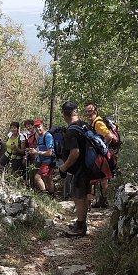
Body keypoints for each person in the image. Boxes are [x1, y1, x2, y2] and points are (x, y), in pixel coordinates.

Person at [57, 101, 89, 236]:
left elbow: (75, 152)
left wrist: (64, 167)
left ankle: (80, 227)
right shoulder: (84, 125)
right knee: (83, 196)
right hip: (88, 166)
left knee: (78, 196)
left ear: (65, 114)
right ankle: (81, 223)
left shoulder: (71, 131)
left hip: (80, 168)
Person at [85, 101, 113, 208]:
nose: (88, 113)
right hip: (98, 155)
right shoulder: (94, 123)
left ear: (95, 111)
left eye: (90, 111)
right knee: (100, 178)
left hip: (99, 156)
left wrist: (102, 148)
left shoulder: (98, 123)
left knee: (97, 179)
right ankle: (100, 201)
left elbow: (109, 136)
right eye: (86, 111)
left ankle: (98, 202)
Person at [28, 119, 55, 197]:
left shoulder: (48, 136)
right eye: (36, 127)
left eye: (39, 126)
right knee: (48, 178)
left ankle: (45, 196)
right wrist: (32, 151)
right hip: (42, 161)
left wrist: (36, 152)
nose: (37, 129)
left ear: (43, 126)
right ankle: (52, 195)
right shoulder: (40, 137)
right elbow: (40, 149)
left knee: (37, 177)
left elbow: (50, 152)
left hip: (48, 161)